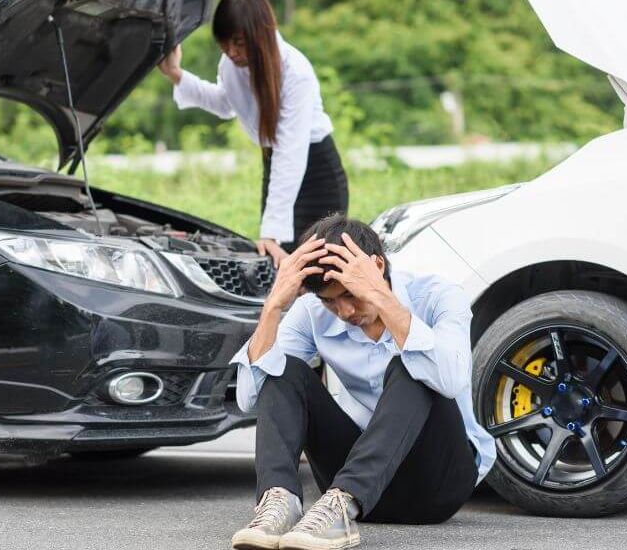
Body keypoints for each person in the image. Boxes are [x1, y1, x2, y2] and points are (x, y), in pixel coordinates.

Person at [228, 214, 497, 550]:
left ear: (377, 267)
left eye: (350, 295)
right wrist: (273, 307)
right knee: (284, 370)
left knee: (413, 364)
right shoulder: (313, 312)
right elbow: (249, 398)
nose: (343, 311)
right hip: (353, 486)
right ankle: (279, 504)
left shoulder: (438, 296)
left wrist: (381, 298)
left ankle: (343, 502)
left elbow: (452, 379)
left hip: (436, 483)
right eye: (329, 301)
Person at [157, 0, 349, 267]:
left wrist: (271, 230)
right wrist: (176, 74)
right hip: (276, 169)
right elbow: (226, 104)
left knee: (319, 275)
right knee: (277, 267)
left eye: (239, 42)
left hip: (316, 175)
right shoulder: (229, 66)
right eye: (225, 44)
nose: (232, 52)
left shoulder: (295, 72)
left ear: (262, 32)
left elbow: (290, 152)